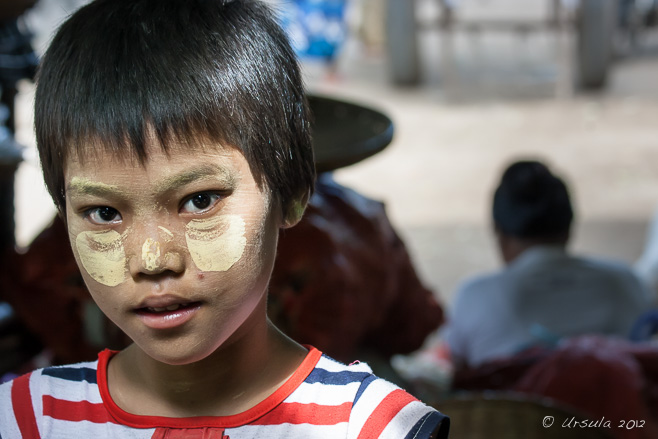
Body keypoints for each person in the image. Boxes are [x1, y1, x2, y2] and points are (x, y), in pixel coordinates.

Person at [0, 1, 450, 437]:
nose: (152, 260)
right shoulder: (23, 419)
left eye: (199, 201)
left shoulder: (374, 428)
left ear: (291, 196)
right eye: (103, 213)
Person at [444, 159, 652, 368]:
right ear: (569, 227)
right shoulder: (625, 280)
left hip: (512, 400)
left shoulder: (475, 295)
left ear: (498, 232)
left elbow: (457, 373)